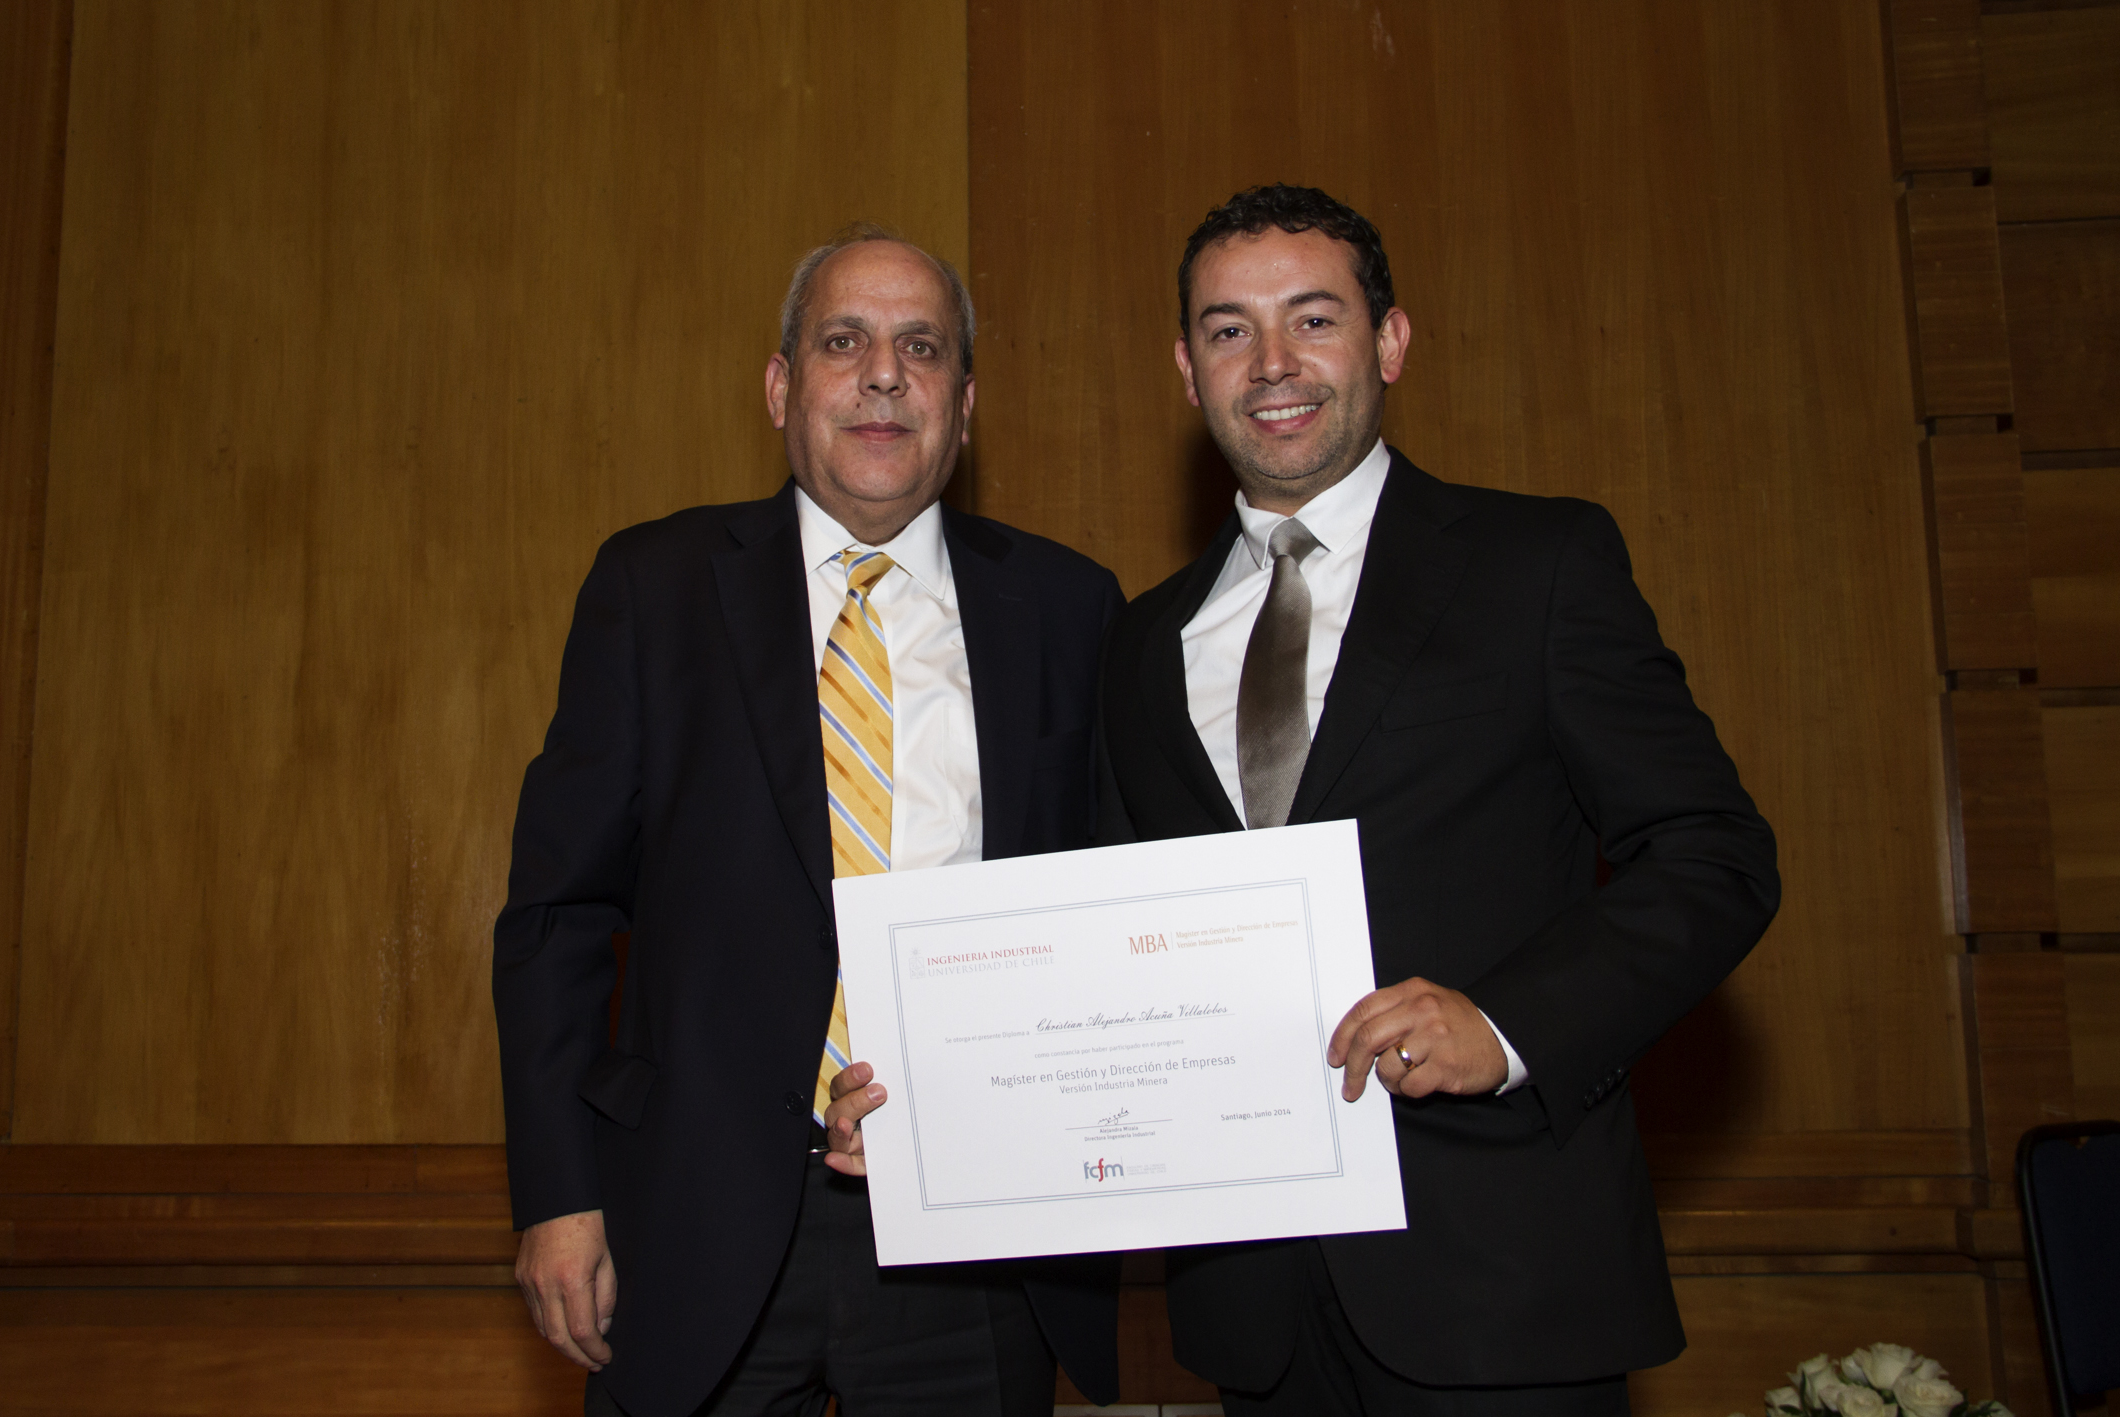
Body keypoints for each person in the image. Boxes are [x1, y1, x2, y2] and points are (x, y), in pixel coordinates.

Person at [1094, 185, 1780, 1415]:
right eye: (1228, 329)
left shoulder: (1537, 566)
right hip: (1252, 1312)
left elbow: (1711, 853)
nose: (1272, 362)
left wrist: (1505, 1024)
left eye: (1313, 318)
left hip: (1499, 1283)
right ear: (1187, 370)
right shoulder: (1141, 644)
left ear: (1390, 341)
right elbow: (1111, 933)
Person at [493, 226, 1123, 1417]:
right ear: (781, 387)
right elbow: (555, 916)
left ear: (963, 405)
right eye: (844, 341)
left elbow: (1101, 911)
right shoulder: (653, 587)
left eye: (920, 347)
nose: (883, 374)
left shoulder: (1068, 606)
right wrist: (558, 1190)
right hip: (690, 1227)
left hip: (976, 1236)